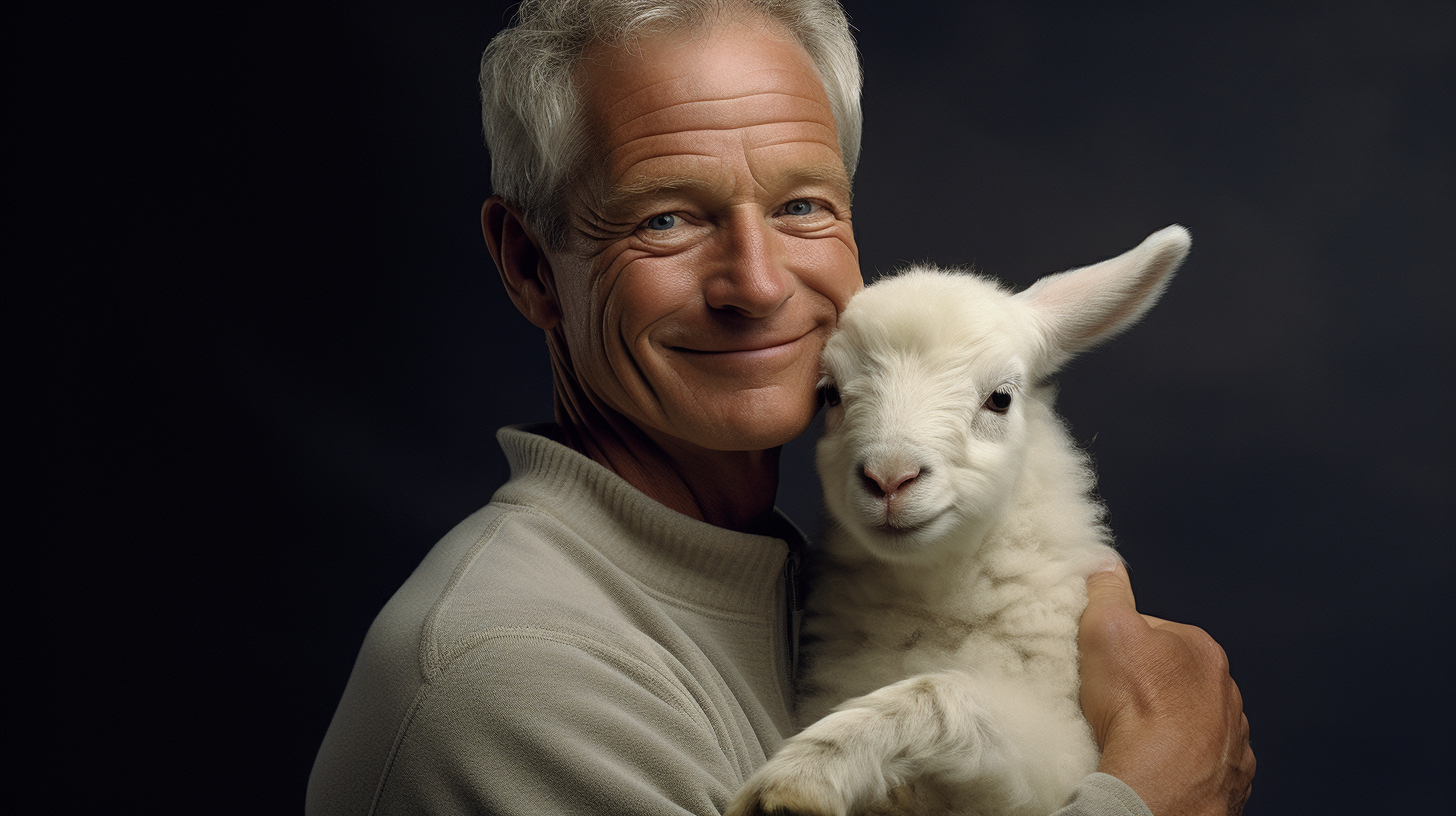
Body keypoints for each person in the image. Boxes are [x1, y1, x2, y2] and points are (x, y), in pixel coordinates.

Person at [306, 1, 1254, 814]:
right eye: (665, 218)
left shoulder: (807, 591)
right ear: (529, 267)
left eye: (802, 205)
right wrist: (1152, 790)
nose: (757, 286)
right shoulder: (516, 675)